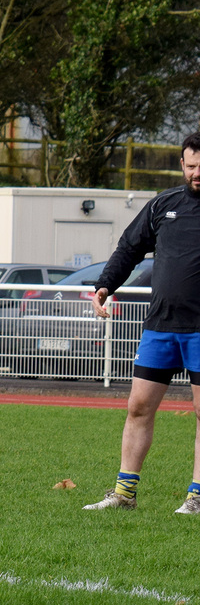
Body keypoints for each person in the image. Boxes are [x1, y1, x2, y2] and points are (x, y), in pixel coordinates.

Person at [85, 133, 200, 513]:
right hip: (160, 327)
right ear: (182, 165)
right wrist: (105, 285)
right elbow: (130, 247)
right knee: (138, 407)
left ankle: (197, 497)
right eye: (191, 166)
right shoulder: (164, 205)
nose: (197, 173)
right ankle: (124, 494)